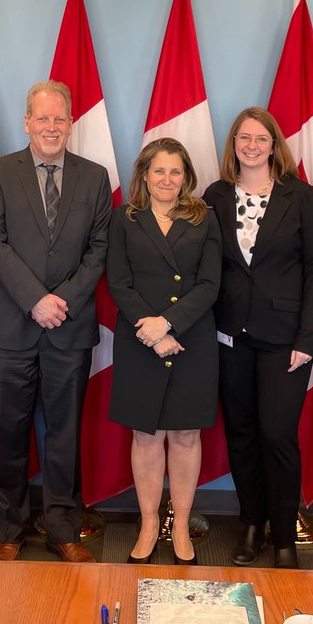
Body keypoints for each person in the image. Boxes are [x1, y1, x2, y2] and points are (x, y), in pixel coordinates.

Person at [0, 80, 112, 563]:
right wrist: (36, 299)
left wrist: (62, 301)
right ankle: (9, 530)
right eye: (43, 118)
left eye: (60, 118)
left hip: (69, 326)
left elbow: (100, 249)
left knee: (64, 432)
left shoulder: (94, 177)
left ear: (70, 123)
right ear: (27, 122)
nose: (51, 127)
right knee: (8, 432)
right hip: (12, 326)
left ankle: (62, 529)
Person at [203, 108, 313, 570]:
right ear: (233, 143)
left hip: (285, 339)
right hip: (228, 333)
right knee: (240, 434)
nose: (252, 145)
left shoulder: (298, 196)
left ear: (275, 145)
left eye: (261, 138)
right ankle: (251, 524)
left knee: (277, 435)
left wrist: (308, 338)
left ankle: (283, 534)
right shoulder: (215, 195)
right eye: (244, 137)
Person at [108, 137, 221, 566]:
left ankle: (181, 523)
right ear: (144, 175)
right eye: (159, 171)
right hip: (140, 341)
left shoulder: (205, 218)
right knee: (147, 435)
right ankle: (150, 523)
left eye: (176, 172)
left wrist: (171, 325)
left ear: (186, 177)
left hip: (192, 340)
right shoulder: (125, 219)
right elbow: (119, 282)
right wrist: (154, 332)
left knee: (187, 435)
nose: (167, 179)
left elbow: (210, 284)